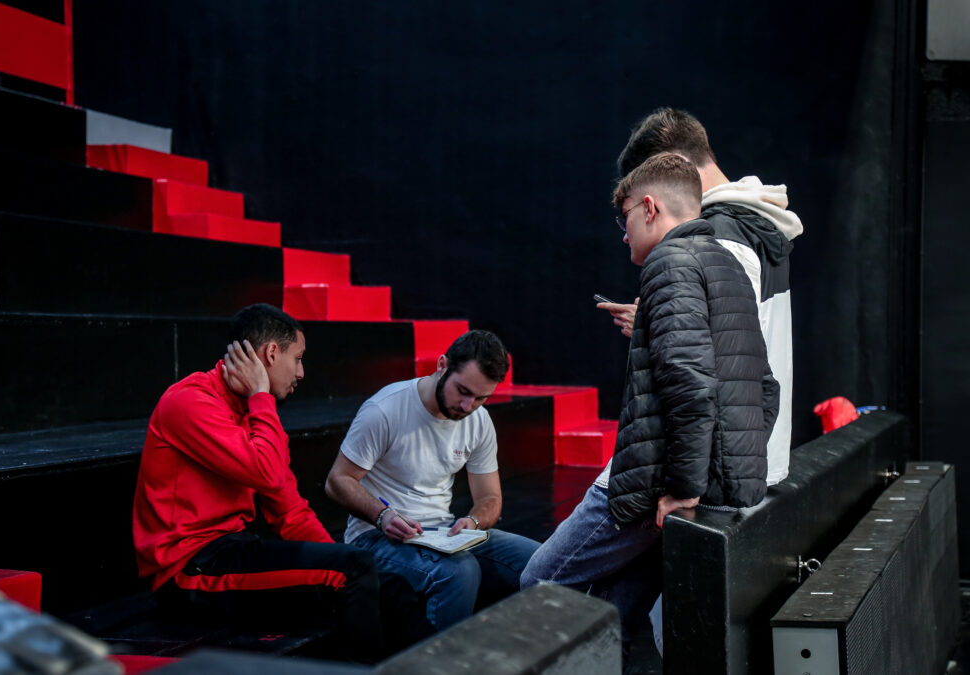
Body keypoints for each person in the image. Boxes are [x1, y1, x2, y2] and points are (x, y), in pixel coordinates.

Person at [521, 153, 778, 647]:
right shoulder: (727, 264)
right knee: (619, 616)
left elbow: (691, 384)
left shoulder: (669, 262)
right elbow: (763, 386)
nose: (623, 234)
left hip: (657, 489)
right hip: (712, 489)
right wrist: (722, 473)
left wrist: (684, 487)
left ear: (649, 207)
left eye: (626, 219)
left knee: (538, 583)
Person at [131, 304, 427, 662]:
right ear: (272, 353)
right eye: (298, 358)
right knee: (354, 572)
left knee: (389, 586)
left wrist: (343, 557)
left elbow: (289, 511)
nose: (301, 372)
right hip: (189, 570)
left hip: (234, 551)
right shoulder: (190, 401)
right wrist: (261, 396)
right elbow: (266, 473)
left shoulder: (256, 415)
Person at [602, 107, 801, 486]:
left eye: (652, 177)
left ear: (674, 165)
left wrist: (657, 326)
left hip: (722, 468)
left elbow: (708, 369)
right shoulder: (755, 222)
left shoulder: (720, 234)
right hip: (749, 456)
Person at [325, 330, 541, 631]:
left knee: (543, 561)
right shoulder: (385, 409)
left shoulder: (478, 421)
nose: (468, 406)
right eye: (463, 391)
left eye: (481, 398)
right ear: (442, 365)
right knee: (459, 572)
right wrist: (382, 515)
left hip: (443, 532)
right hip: (376, 536)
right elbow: (337, 480)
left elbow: (490, 499)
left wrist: (474, 523)